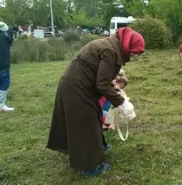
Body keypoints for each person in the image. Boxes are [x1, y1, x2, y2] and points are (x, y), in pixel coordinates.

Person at [46, 27, 145, 176]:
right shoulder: (110, 51)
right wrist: (122, 103)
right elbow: (102, 84)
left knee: (94, 116)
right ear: (127, 44)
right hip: (77, 88)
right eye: (134, 51)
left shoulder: (111, 46)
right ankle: (90, 167)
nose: (134, 55)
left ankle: (99, 148)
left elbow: (100, 76)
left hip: (78, 85)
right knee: (85, 124)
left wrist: (115, 90)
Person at [0, 12, 15, 112]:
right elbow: (10, 41)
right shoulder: (6, 29)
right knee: (3, 83)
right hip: (2, 60)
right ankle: (0, 106)